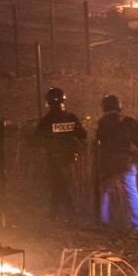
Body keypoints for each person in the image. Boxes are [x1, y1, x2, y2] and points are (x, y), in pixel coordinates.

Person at [96, 94, 138, 232]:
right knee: (132, 192)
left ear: (105, 107)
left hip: (110, 163)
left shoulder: (103, 122)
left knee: (105, 191)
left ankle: (103, 221)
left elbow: (99, 139)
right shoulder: (132, 122)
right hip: (128, 161)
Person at [35, 87, 87, 223]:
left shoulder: (47, 120)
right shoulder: (71, 117)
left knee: (60, 183)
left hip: (55, 156)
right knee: (60, 183)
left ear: (49, 101)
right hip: (69, 156)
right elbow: (83, 134)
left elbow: (37, 139)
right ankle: (54, 214)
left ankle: (70, 215)